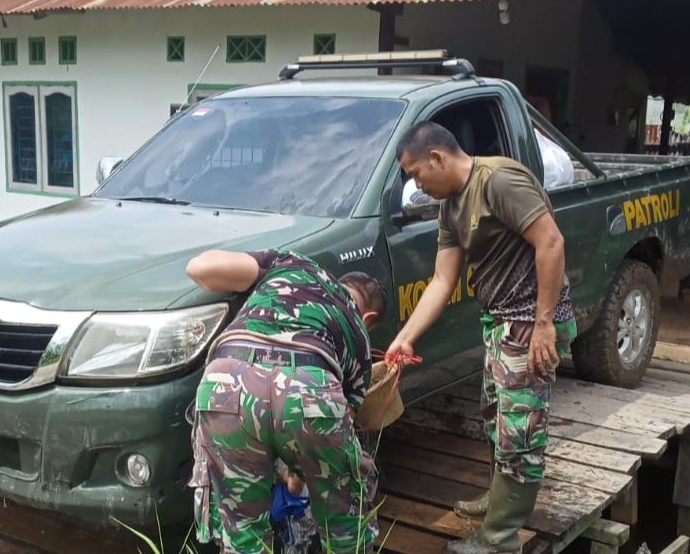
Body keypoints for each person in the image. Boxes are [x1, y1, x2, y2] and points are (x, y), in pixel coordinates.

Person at [386, 122, 577, 554]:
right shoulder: (450, 206)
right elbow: (442, 280)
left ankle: (499, 538)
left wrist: (544, 324)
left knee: (520, 431)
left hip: (530, 322)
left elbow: (551, 242)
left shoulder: (498, 181)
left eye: (416, 174)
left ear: (437, 157)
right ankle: (498, 501)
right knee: (496, 418)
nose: (417, 185)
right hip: (500, 322)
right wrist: (406, 338)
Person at [185, 248, 385, 554]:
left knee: (242, 534)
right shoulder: (358, 333)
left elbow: (199, 267)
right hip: (309, 383)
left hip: (225, 382)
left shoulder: (290, 263)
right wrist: (295, 482)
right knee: (346, 525)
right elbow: (332, 435)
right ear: (369, 317)